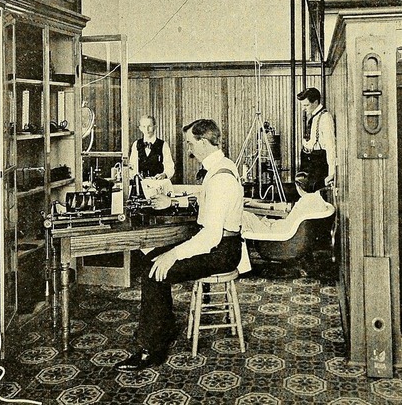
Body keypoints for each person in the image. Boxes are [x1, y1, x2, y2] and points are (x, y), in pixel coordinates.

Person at [115, 119, 244, 372]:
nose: (189, 149)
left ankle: (150, 349)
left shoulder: (220, 178)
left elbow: (210, 238)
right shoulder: (222, 166)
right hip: (221, 245)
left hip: (221, 252)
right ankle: (164, 323)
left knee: (155, 271)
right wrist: (175, 202)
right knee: (150, 256)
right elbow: (208, 202)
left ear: (204, 142)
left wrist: (173, 255)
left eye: (190, 143)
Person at [242, 171, 329, 235]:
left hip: (281, 234)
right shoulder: (313, 199)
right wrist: (253, 204)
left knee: (245, 215)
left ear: (298, 186)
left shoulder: (305, 201)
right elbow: (285, 208)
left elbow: (285, 210)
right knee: (255, 218)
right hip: (286, 230)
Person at [297, 87, 335, 192]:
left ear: (316, 102)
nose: (303, 109)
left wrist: (331, 173)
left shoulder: (325, 118)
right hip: (312, 162)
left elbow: (330, 146)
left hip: (320, 164)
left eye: (306, 105)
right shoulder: (315, 117)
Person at [128, 116, 175, 196]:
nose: (147, 129)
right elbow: (132, 166)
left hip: (158, 184)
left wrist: (164, 174)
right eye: (144, 126)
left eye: (149, 126)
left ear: (155, 127)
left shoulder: (163, 145)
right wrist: (135, 176)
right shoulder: (136, 144)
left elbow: (170, 167)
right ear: (140, 128)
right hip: (141, 184)